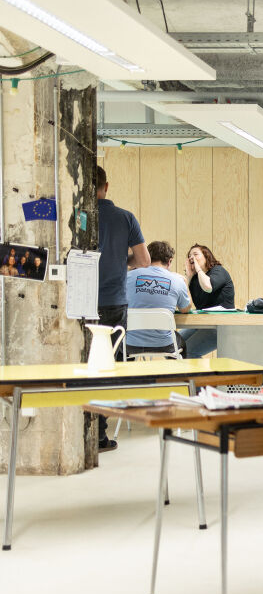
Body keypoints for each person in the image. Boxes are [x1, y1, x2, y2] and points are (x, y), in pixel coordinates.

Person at [96, 165, 150, 451]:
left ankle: (78, 434)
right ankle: (100, 436)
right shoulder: (125, 218)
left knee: (78, 368)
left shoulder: (75, 214)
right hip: (114, 302)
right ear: (107, 185)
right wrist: (121, 262)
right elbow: (143, 260)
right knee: (109, 367)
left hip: (80, 303)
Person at [125, 241, 191, 356]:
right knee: (182, 344)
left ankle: (126, 372)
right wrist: (185, 283)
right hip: (164, 344)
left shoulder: (127, 276)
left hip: (131, 344)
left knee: (120, 349)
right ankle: (176, 373)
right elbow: (185, 309)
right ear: (169, 261)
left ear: (147, 256)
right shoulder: (177, 281)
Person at [179, 243, 235, 358]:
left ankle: (201, 375)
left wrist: (199, 269)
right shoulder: (194, 279)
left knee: (188, 352)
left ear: (207, 257)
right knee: (173, 347)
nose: (192, 258)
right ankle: (184, 376)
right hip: (203, 322)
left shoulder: (218, 271)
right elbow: (184, 301)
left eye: (195, 254)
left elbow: (208, 287)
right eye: (190, 256)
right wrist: (189, 276)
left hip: (220, 325)